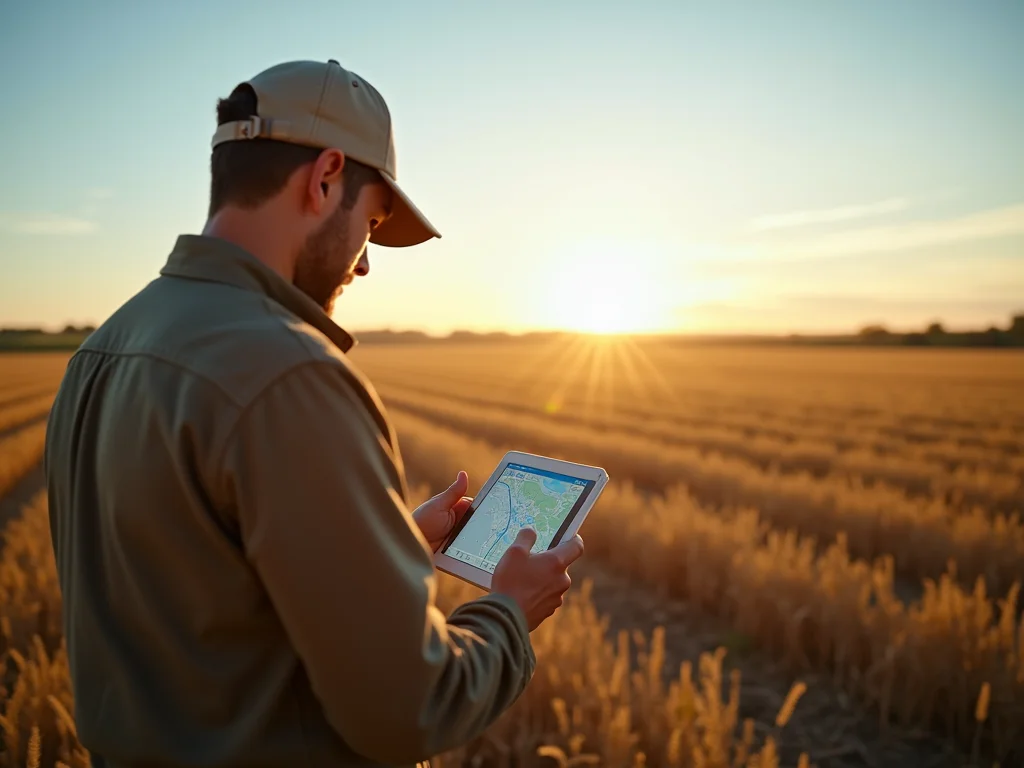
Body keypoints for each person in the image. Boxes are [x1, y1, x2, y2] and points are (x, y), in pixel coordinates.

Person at [44, 59, 584, 768]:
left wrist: (381, 546)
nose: (363, 264)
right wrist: (510, 612)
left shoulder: (101, 351)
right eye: (370, 220)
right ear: (325, 176)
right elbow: (409, 708)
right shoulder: (291, 373)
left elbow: (200, 594)